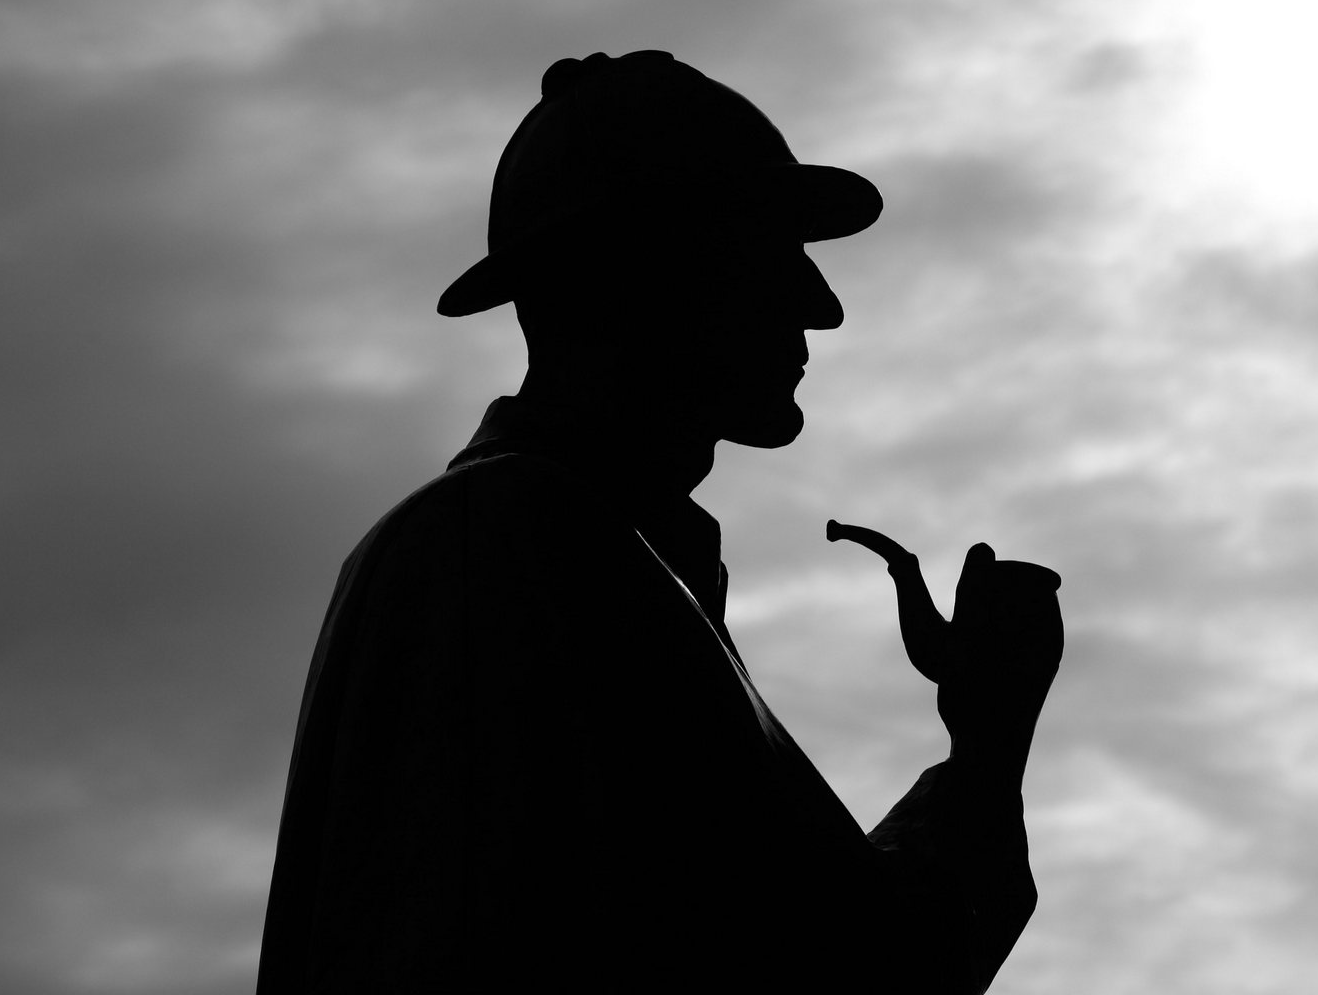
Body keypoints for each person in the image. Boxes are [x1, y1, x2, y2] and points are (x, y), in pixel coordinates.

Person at [257, 49, 1064, 993]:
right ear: (650, 272)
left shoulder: (562, 552)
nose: (824, 305)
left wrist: (986, 744)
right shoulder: (518, 549)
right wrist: (988, 753)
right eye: (774, 252)